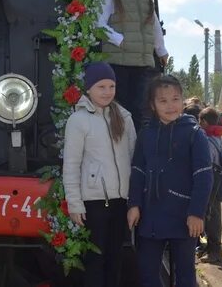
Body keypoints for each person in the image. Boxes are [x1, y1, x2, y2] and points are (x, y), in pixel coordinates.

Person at [128, 75, 212, 287]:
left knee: (185, 274)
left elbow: (203, 175)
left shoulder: (195, 134)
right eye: (162, 101)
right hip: (150, 216)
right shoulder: (146, 134)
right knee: (147, 273)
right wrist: (134, 204)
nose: (170, 105)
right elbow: (137, 171)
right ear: (152, 105)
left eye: (175, 99)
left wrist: (196, 213)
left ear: (182, 101)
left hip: (184, 217)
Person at [63, 62, 136, 287]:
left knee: (116, 257)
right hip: (95, 203)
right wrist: (75, 203)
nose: (107, 92)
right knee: (96, 258)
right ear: (88, 89)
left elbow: (133, 158)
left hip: (120, 201)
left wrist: (134, 199)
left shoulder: (124, 117)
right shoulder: (78, 120)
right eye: (101, 86)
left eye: (111, 86)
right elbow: (71, 164)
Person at [97, 0, 169, 133]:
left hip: (143, 63)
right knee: (121, 109)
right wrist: (119, 40)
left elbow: (154, 26)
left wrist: (161, 50)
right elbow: (98, 25)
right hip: (118, 63)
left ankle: (138, 153)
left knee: (141, 110)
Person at [197, 107, 222, 263]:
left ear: (204, 122)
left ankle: (214, 252)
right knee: (213, 211)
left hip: (210, 175)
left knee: (211, 213)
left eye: (200, 120)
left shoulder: (206, 138)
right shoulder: (218, 135)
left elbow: (206, 161)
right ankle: (213, 249)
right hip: (217, 174)